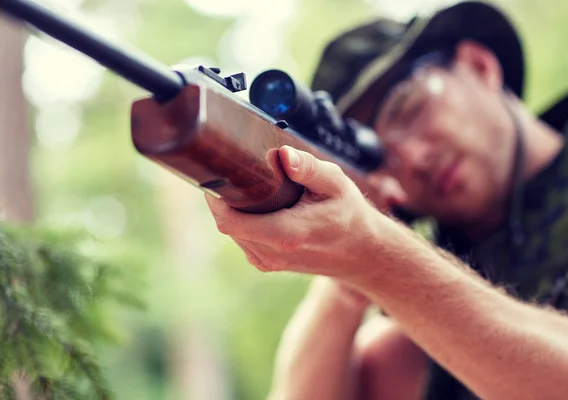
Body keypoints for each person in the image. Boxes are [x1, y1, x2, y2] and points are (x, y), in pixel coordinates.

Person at [205, 1, 568, 399]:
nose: (411, 159)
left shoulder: (431, 296)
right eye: (381, 158)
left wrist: (379, 256)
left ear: (479, 65)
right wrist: (347, 274)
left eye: (410, 109)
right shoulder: (424, 322)